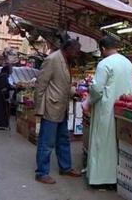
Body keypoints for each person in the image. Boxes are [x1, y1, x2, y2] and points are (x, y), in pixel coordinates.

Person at [85, 35, 132, 187]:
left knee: (102, 143)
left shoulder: (104, 64)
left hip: (105, 110)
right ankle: (116, 177)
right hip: (123, 108)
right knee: (117, 143)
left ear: (103, 49)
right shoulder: (128, 62)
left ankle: (100, 179)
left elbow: (97, 89)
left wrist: (88, 101)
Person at [34, 39, 82, 184]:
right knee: (47, 142)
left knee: (63, 139)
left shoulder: (66, 60)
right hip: (51, 107)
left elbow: (62, 83)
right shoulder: (52, 59)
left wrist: (74, 92)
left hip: (62, 107)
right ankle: (41, 173)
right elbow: (40, 85)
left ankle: (65, 167)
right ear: (68, 49)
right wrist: (39, 109)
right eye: (75, 51)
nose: (77, 54)